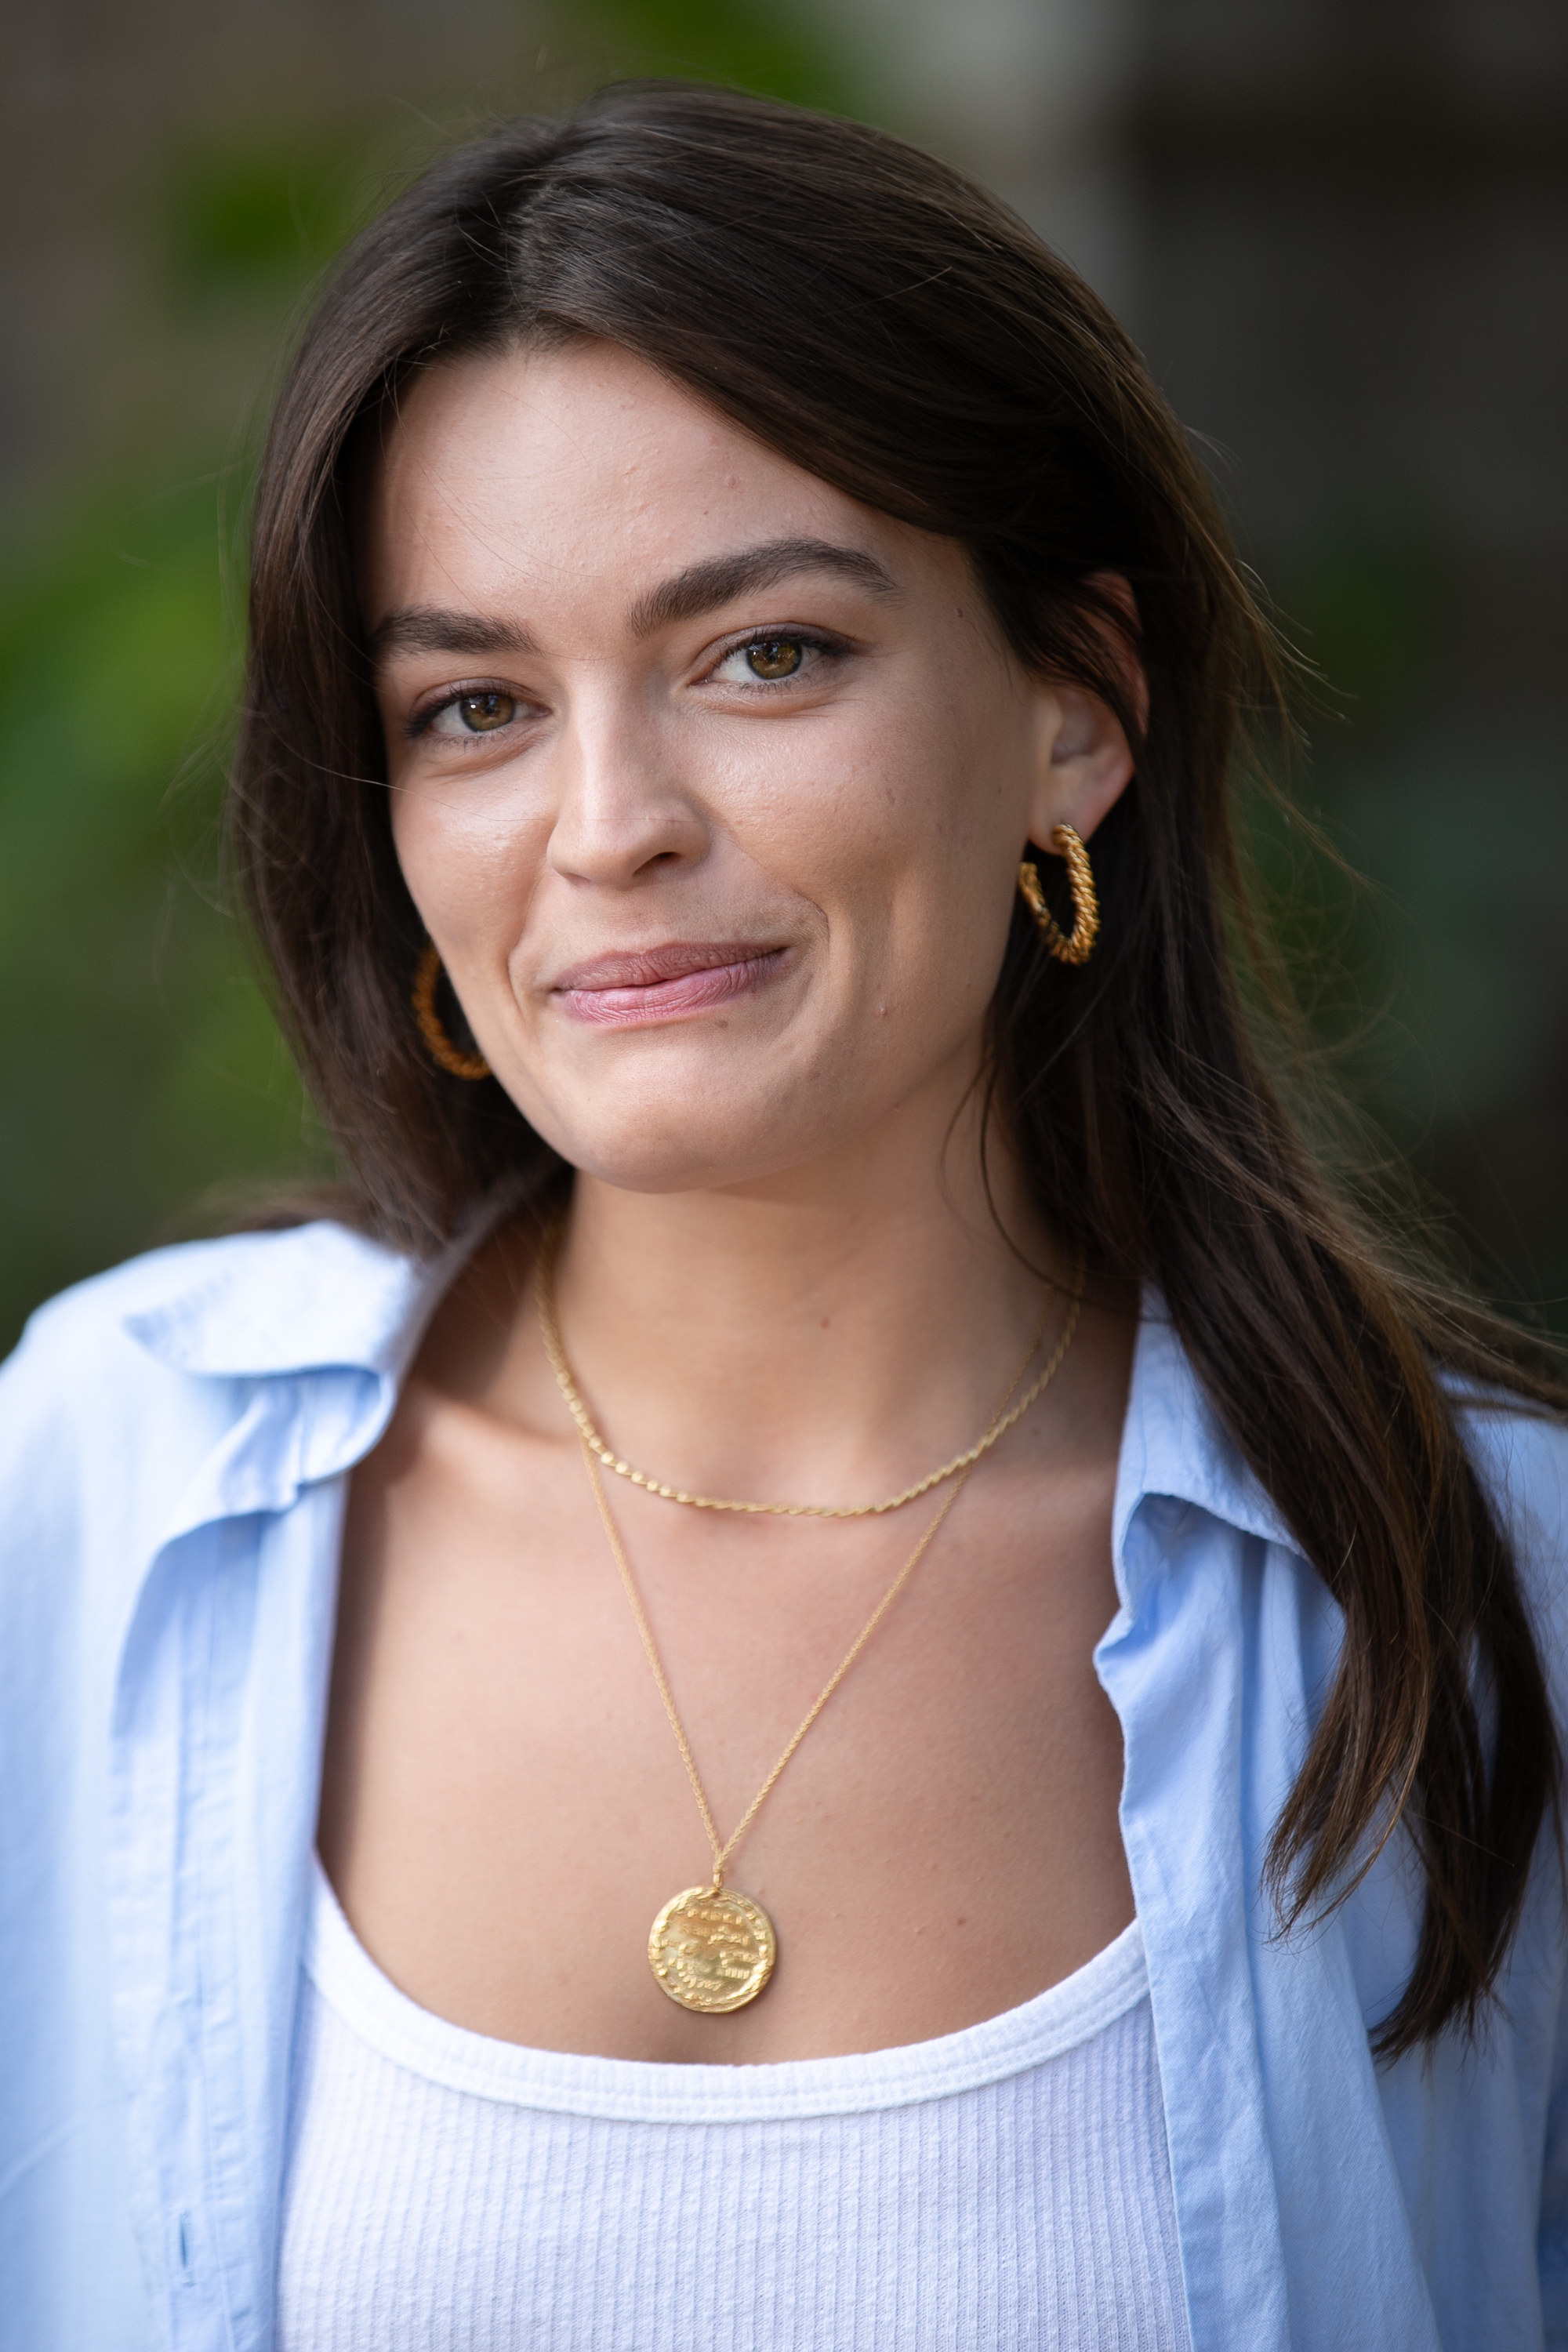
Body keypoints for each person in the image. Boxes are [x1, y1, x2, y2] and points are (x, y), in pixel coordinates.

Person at [1, 79, 1563, 2352]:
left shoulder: (1480, 1598)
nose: (608, 824)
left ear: (1077, 707)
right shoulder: (94, 1501)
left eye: (769, 655)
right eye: (474, 706)